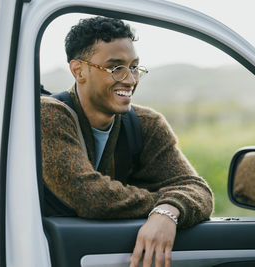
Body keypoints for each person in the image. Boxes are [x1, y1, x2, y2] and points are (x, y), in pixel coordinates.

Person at [40, 16, 213, 267]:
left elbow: (198, 190)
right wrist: (162, 203)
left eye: (134, 67)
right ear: (79, 71)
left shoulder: (147, 123)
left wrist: (168, 212)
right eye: (116, 67)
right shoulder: (48, 115)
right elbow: (90, 197)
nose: (131, 80)